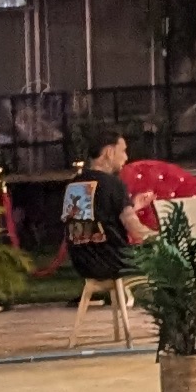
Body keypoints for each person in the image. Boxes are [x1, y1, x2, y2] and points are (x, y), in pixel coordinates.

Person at [63, 134, 146, 340]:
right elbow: (136, 231)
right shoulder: (113, 185)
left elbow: (94, 216)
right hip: (113, 261)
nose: (126, 157)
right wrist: (160, 235)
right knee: (167, 259)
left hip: (82, 262)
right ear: (109, 152)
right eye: (123, 151)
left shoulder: (74, 184)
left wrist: (132, 206)